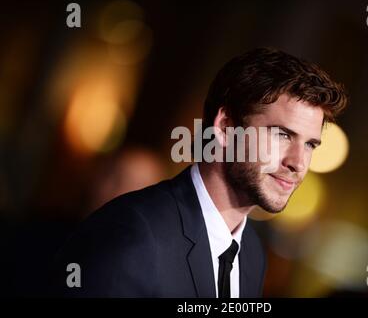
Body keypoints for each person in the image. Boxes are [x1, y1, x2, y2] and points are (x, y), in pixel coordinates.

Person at [52, 47, 347, 297]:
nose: (297, 162)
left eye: (310, 144)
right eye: (282, 135)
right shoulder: (132, 236)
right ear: (225, 127)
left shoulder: (251, 255)